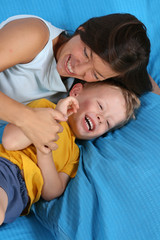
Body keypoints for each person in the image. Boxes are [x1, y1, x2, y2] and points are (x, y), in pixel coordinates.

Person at [0, 13, 159, 153]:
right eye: (86, 53)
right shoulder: (35, 34)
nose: (78, 68)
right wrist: (28, 119)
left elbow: (149, 86)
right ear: (82, 29)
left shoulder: (79, 89)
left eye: (95, 74)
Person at [0, 80, 140, 225]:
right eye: (100, 106)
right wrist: (56, 118)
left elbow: (51, 192)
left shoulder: (74, 155)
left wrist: (45, 152)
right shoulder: (45, 109)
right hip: (7, 168)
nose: (100, 118)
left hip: (21, 198)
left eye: (108, 123)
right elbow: (10, 141)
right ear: (76, 93)